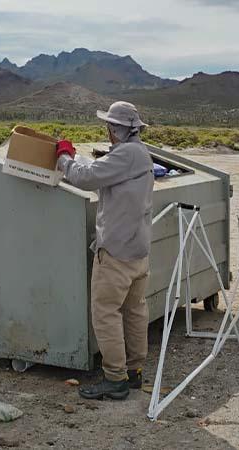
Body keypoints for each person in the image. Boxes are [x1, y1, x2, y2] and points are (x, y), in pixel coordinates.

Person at [55, 101, 154, 400]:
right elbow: (101, 174)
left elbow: (84, 178)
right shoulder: (141, 153)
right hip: (138, 250)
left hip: (116, 251)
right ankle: (135, 371)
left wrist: (64, 157)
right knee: (134, 310)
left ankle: (115, 379)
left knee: (105, 312)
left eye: (109, 128)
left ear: (116, 129)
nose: (108, 133)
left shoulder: (125, 154)